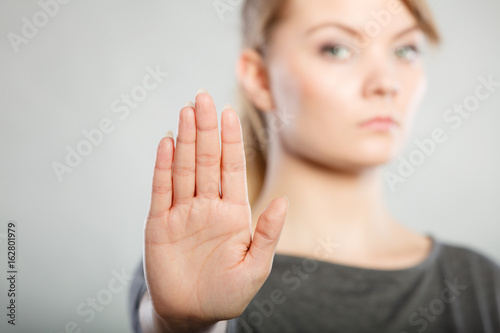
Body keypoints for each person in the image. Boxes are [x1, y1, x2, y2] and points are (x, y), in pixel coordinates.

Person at [128, 0, 500, 332]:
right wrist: (184, 327)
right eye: (336, 49)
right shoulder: (194, 275)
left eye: (405, 50)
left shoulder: (480, 283)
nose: (387, 83)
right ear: (260, 78)